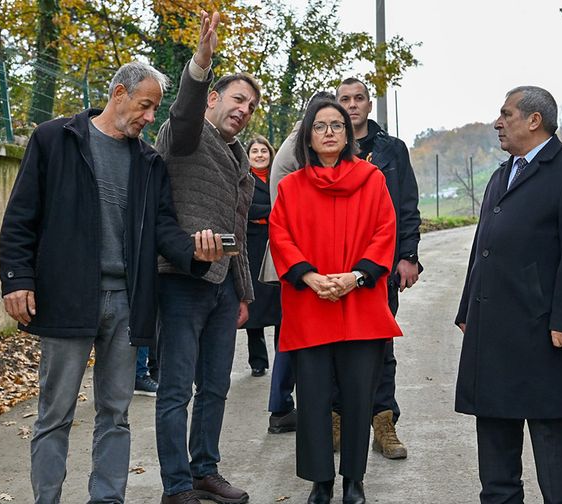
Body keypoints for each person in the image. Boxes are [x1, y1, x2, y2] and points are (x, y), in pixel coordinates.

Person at [0, 61, 220, 504]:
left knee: (115, 414)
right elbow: (21, 217)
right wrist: (16, 279)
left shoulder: (148, 161)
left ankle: (107, 499)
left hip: (127, 302)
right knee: (55, 414)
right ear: (119, 93)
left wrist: (193, 251)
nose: (150, 117)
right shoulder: (55, 138)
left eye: (156, 108)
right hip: (66, 297)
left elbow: (162, 227)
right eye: (146, 105)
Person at [455, 86, 562, 504]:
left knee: (554, 452)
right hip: (494, 335)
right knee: (497, 464)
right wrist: (469, 308)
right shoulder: (502, 174)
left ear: (534, 120)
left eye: (506, 114)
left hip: (545, 334)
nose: (497, 122)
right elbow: (483, 248)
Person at [269, 99, 401, 504]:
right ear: (308, 136)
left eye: (337, 125)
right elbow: (281, 235)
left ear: (348, 135)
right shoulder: (291, 186)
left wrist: (355, 277)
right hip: (310, 304)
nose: (329, 132)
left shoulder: (372, 179)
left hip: (359, 303)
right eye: (320, 126)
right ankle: (320, 481)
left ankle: (353, 480)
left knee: (360, 395)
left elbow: (385, 231)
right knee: (312, 398)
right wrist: (308, 276)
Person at [153, 11, 258, 504]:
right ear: (214, 99)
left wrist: (244, 294)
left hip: (223, 287)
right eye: (238, 99)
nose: (245, 109)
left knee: (215, 387)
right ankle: (176, 486)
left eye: (251, 105)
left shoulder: (241, 158)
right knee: (177, 390)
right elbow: (182, 112)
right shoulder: (188, 136)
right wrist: (201, 62)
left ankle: (204, 471)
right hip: (180, 279)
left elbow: (238, 231)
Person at [334, 77, 421, 460]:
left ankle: (383, 424)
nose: (352, 105)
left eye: (359, 99)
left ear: (370, 105)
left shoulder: (392, 150)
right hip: (334, 264)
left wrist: (408, 255)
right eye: (344, 100)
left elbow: (407, 205)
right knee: (334, 343)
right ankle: (336, 420)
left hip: (382, 266)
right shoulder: (326, 146)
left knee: (380, 346)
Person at [264, 91, 336, 436]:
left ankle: (282, 407)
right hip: (295, 255)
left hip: (293, 253)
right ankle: (281, 407)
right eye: (324, 121)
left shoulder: (296, 141)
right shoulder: (300, 148)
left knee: (290, 331)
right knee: (292, 333)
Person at [242, 135, 282, 378]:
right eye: (254, 151)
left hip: (276, 244)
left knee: (279, 305)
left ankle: (282, 355)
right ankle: (258, 361)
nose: (259, 155)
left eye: (263, 151)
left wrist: (266, 214)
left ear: (270, 154)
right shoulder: (243, 180)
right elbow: (246, 209)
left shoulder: (279, 177)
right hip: (253, 246)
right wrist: (273, 211)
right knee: (254, 305)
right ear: (248, 156)